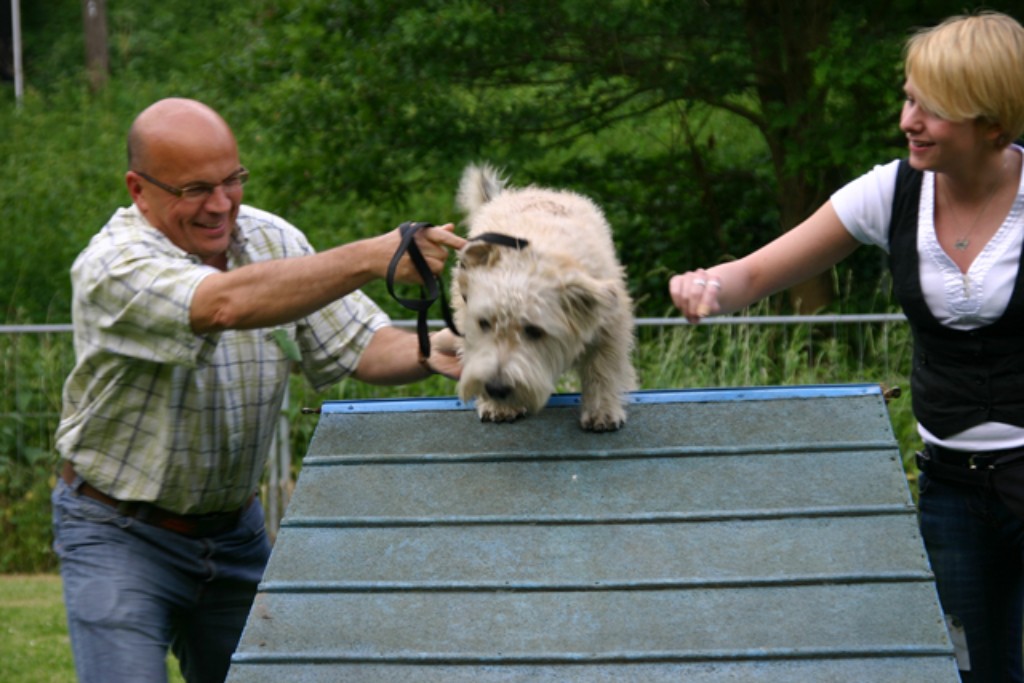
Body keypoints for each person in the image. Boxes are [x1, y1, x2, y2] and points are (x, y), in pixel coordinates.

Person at [51, 97, 467, 683]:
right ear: (139, 189)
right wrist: (373, 256)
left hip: (235, 533)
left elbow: (366, 345)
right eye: (195, 188)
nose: (220, 204)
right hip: (118, 532)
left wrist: (451, 346)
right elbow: (223, 304)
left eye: (232, 180)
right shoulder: (111, 266)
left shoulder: (274, 241)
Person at [669, 11, 1024, 683]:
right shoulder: (889, 192)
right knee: (979, 672)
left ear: (992, 123)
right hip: (950, 490)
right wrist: (707, 287)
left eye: (933, 108)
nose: (907, 120)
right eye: (908, 96)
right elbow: (754, 272)